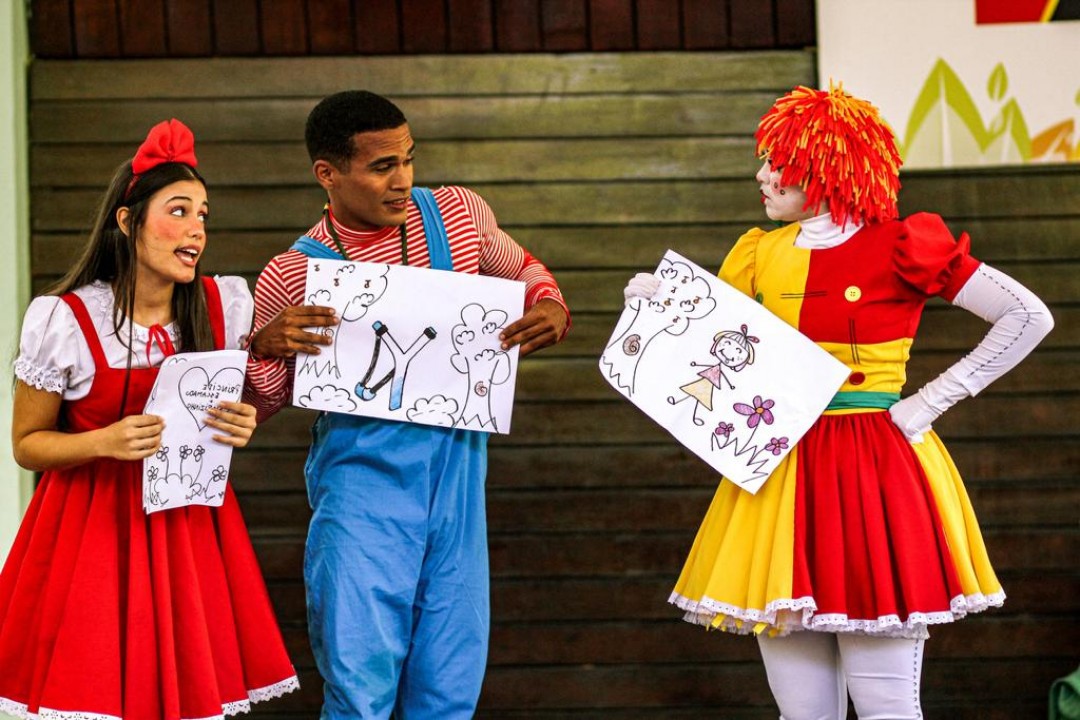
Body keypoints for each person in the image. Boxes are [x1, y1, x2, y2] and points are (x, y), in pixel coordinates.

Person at [624, 84, 1053, 719]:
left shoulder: (903, 243)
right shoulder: (759, 252)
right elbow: (724, 355)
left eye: (780, 162)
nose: (762, 175)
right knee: (804, 715)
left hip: (875, 469)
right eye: (764, 158)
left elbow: (1026, 315)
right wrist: (665, 312)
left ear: (828, 169)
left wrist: (930, 401)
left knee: (886, 708)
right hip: (777, 475)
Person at [245, 90, 570, 718]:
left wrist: (550, 303)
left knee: (450, 675)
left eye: (409, 159)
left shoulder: (459, 216)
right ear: (328, 174)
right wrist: (263, 346)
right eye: (381, 166)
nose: (403, 181)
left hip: (458, 483)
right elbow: (260, 405)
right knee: (358, 681)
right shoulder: (292, 272)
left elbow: (525, 267)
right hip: (362, 489)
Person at [0, 119, 299, 719]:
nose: (198, 230)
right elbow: (26, 446)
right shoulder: (65, 320)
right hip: (90, 534)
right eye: (180, 211)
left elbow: (223, 417)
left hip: (189, 532)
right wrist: (102, 441)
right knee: (94, 691)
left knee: (188, 695)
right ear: (127, 220)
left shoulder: (221, 306)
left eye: (204, 215)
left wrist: (241, 424)